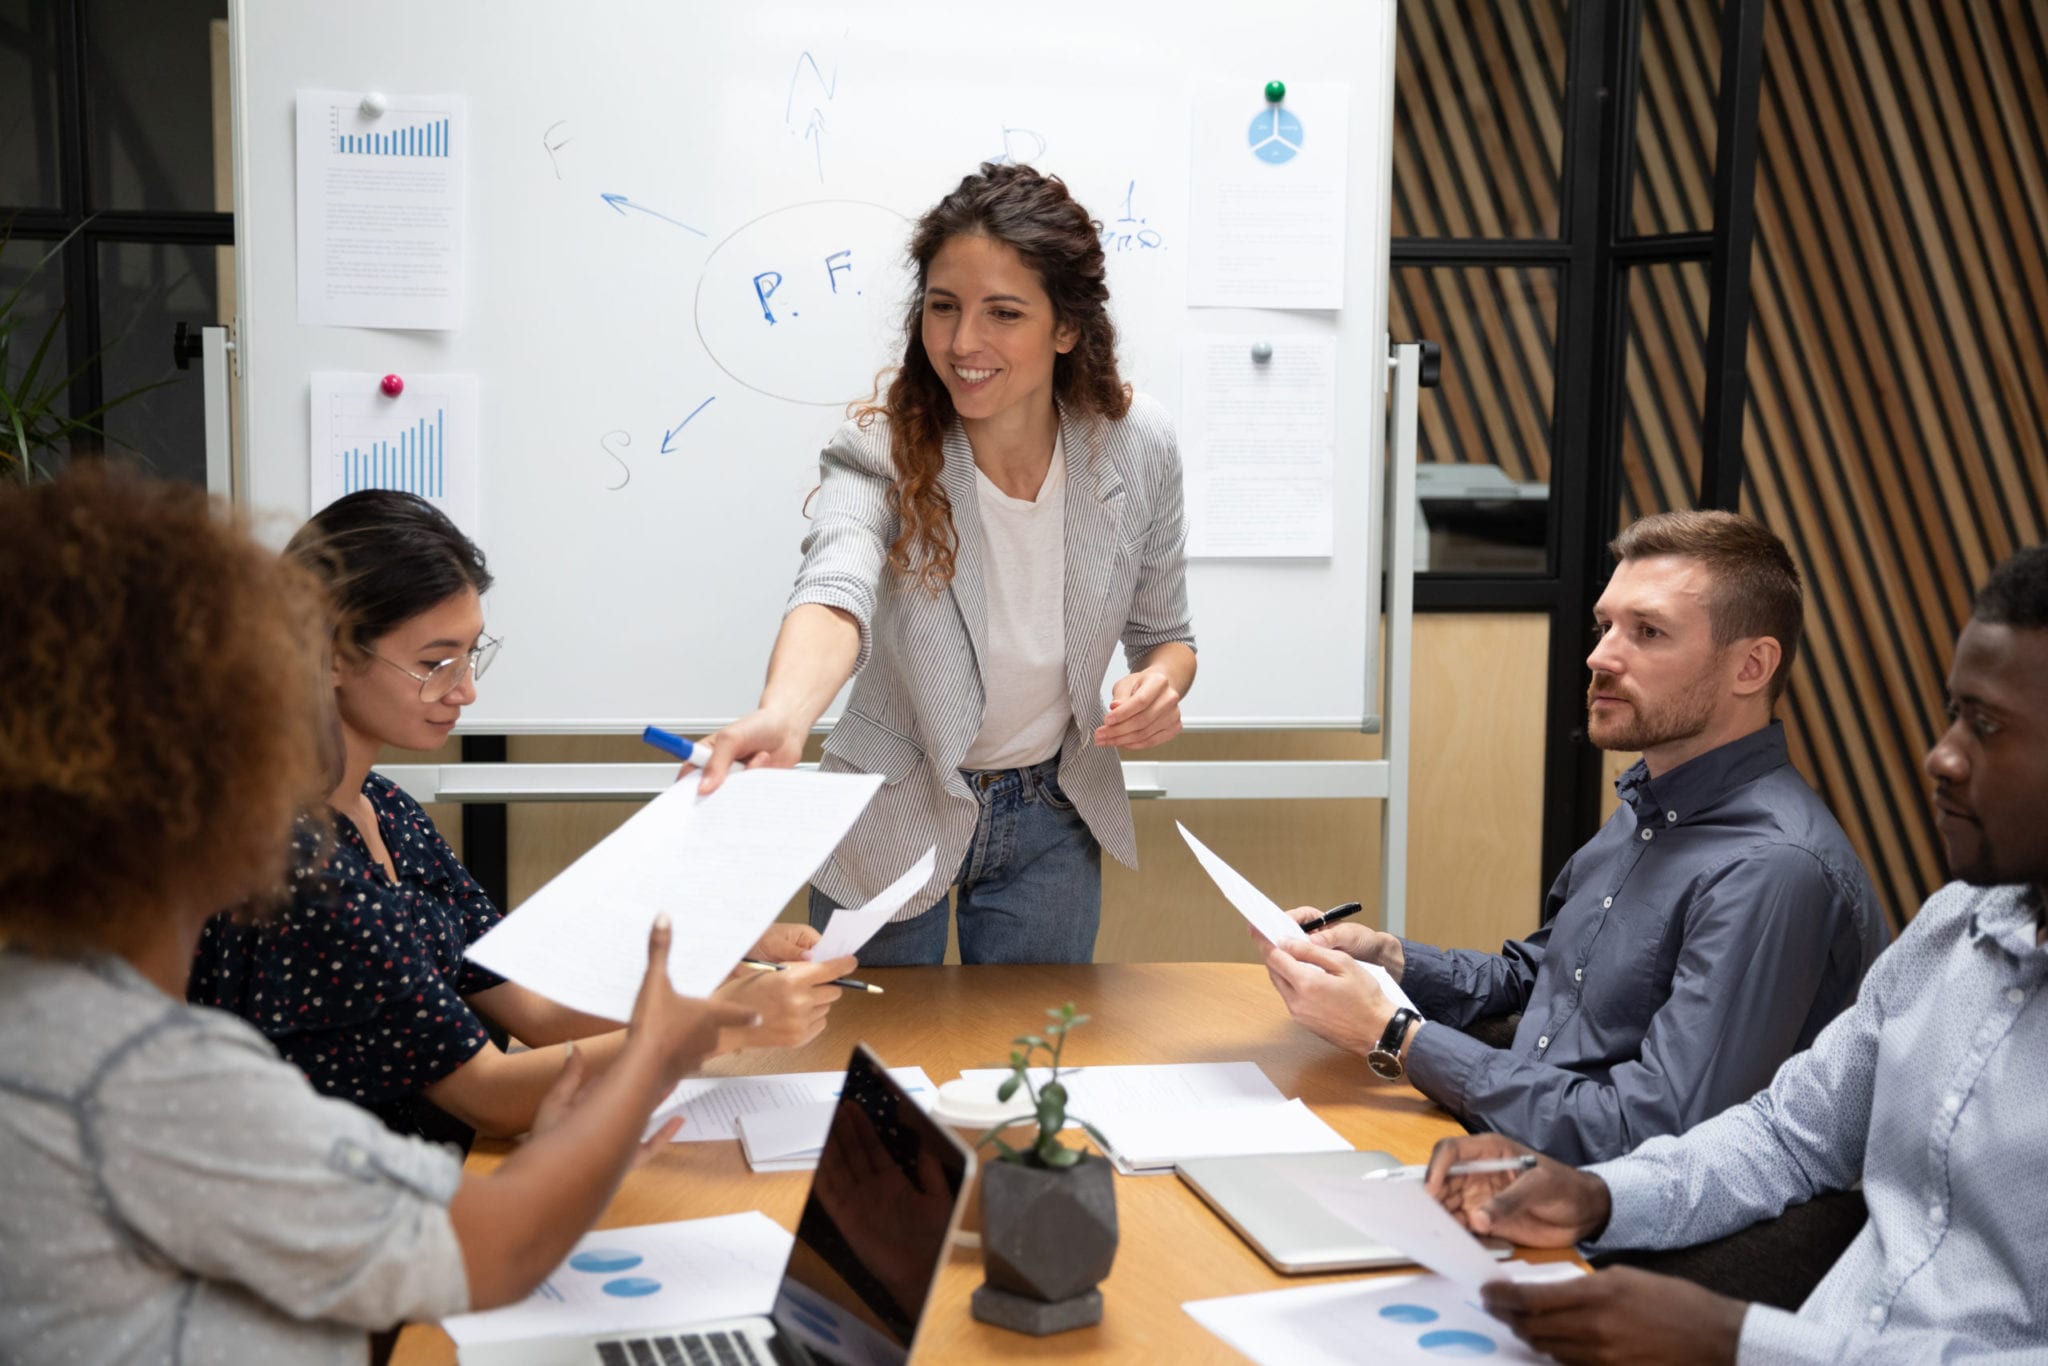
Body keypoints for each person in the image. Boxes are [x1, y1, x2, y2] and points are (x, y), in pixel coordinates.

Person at [0, 467, 757, 1364]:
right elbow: (498, 1244)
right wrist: (659, 1052)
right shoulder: (145, 1075)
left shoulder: (48, 1007)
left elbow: (519, 1009)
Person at [1424, 545, 2048, 1363]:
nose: (1942, 756)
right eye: (1953, 715)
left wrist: (1732, 1340)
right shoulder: (1952, 929)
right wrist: (1597, 1197)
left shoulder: (1776, 862)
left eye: (1989, 726)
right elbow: (1788, 1134)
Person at [189, 489, 852, 1144]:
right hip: (348, 1216)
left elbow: (533, 1008)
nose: (466, 689)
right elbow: (490, 1095)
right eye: (434, 663)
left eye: (471, 654)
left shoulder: (389, 813)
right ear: (332, 652)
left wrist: (709, 966)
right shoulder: (297, 865)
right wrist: (719, 1027)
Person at [1260, 511, 1888, 1163]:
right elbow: (1546, 984)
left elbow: (1653, 1135)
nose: (1600, 656)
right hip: (1526, 1153)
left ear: (1752, 667)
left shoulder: (1774, 868)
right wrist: (1389, 961)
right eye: (1605, 626)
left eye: (1648, 633)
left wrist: (1394, 1035)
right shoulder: (1649, 807)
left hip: (1619, 1225)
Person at [696, 162, 1197, 966]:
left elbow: (1167, 635)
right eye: (944, 307)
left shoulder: (1139, 444)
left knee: (1031, 1069)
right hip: (895, 797)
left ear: (1066, 327)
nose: (964, 343)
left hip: (1054, 810)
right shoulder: (881, 448)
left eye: (1004, 313)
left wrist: (1164, 684)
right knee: (875, 1070)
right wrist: (786, 717)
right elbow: (834, 587)